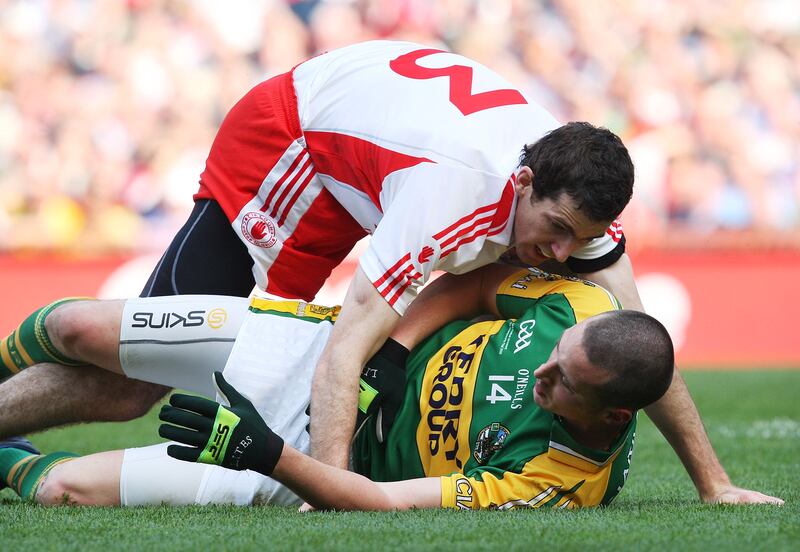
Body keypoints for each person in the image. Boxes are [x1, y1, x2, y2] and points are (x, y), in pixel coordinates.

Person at [0, 41, 767, 505]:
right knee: (140, 382)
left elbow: (643, 346)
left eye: (583, 241)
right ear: (524, 184)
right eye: (556, 234)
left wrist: (713, 481)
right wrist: (325, 489)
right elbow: (347, 343)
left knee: (192, 367)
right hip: (293, 145)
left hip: (371, 145)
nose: (564, 257)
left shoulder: (569, 206)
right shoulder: (453, 201)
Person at [1, 266, 682, 510]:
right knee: (75, 324)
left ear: (615, 413)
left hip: (302, 465)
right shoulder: (580, 309)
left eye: (562, 382)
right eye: (553, 357)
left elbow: (379, 504)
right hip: (314, 349)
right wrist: (387, 352)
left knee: (60, 489)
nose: (543, 372)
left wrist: (265, 454)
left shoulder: (554, 483)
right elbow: (472, 285)